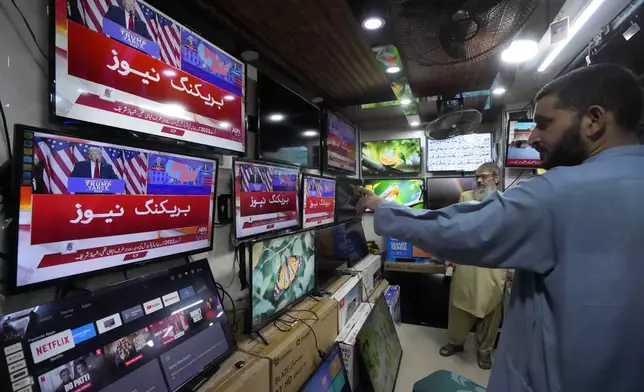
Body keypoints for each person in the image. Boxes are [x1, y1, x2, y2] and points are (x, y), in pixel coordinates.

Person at [357, 64, 644, 392]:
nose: (533, 136)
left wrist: (384, 208)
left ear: (593, 120)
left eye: (544, 124)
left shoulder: (561, 191)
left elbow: (463, 228)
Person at [439, 162, 506, 370]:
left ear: (496, 178)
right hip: (467, 261)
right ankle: (456, 342)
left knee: (491, 307)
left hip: (494, 265)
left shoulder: (508, 202)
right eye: (476, 176)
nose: (478, 180)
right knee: (459, 303)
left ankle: (484, 349)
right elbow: (455, 229)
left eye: (483, 176)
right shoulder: (466, 198)